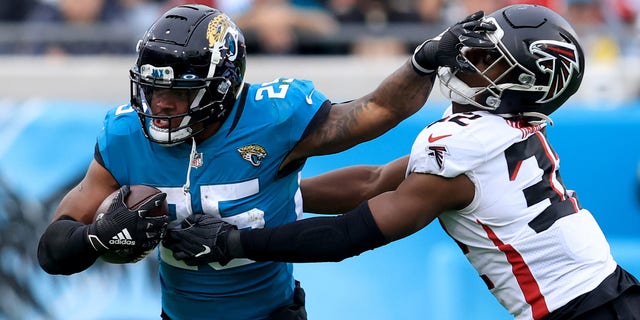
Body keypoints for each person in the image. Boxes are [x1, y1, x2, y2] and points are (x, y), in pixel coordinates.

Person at [175, 4, 640, 320]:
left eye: (489, 62)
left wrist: (236, 242)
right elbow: (374, 180)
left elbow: (348, 235)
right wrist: (265, 197)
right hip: (603, 295)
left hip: (581, 309)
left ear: (525, 85)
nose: (469, 63)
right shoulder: (490, 129)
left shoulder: (466, 148)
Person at [36, 4, 496, 320]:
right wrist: (96, 238)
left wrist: (421, 62)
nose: (161, 105)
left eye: (178, 92)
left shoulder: (273, 116)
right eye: (153, 89)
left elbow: (377, 110)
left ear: (221, 86)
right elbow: (52, 249)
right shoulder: (123, 134)